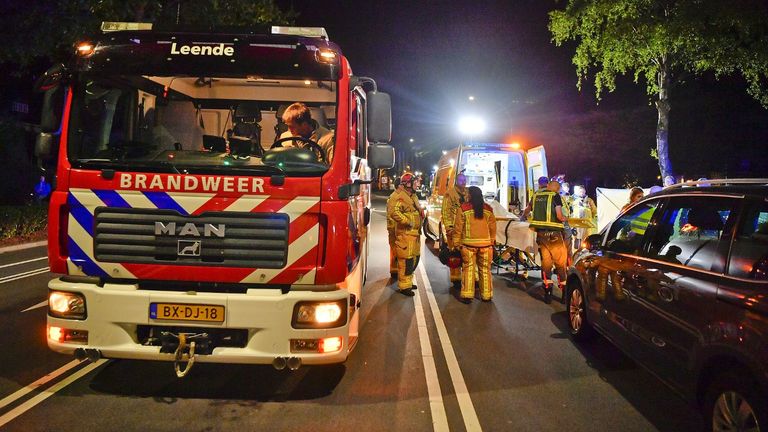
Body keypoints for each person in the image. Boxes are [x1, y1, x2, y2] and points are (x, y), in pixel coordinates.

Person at [452, 186, 496, 303]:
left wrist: (456, 243)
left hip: (468, 246)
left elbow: (458, 228)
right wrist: (491, 241)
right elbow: (493, 228)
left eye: (467, 193)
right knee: (485, 270)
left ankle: (467, 295)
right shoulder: (488, 209)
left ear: (470, 195)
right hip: (486, 246)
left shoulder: (464, 209)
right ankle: (486, 295)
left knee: (468, 270)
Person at [528, 180, 568, 304]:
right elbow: (559, 215)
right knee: (561, 263)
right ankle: (565, 293)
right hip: (554, 235)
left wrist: (522, 217)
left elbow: (527, 209)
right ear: (555, 188)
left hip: (541, 235)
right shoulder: (555, 196)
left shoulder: (536, 195)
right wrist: (566, 219)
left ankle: (547, 292)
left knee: (546, 263)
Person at [388, 172, 424, 297]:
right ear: (407, 184)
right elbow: (394, 212)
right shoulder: (400, 196)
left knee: (414, 259)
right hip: (406, 234)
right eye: (415, 183)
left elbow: (415, 209)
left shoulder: (412, 195)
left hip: (415, 234)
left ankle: (408, 282)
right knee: (406, 261)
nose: (417, 184)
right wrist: (407, 221)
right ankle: (404, 286)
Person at [441, 173, 469, 287]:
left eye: (464, 180)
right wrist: (448, 228)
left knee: (465, 254)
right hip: (453, 229)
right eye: (461, 180)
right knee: (454, 254)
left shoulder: (467, 192)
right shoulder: (450, 193)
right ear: (456, 181)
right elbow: (445, 212)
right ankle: (456, 278)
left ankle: (468, 278)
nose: (463, 182)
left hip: (465, 228)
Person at [385, 177, 402, 279]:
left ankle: (395, 270)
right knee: (396, 250)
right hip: (394, 229)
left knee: (394, 250)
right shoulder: (395, 197)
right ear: (398, 186)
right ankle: (396, 270)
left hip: (393, 228)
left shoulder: (395, 196)